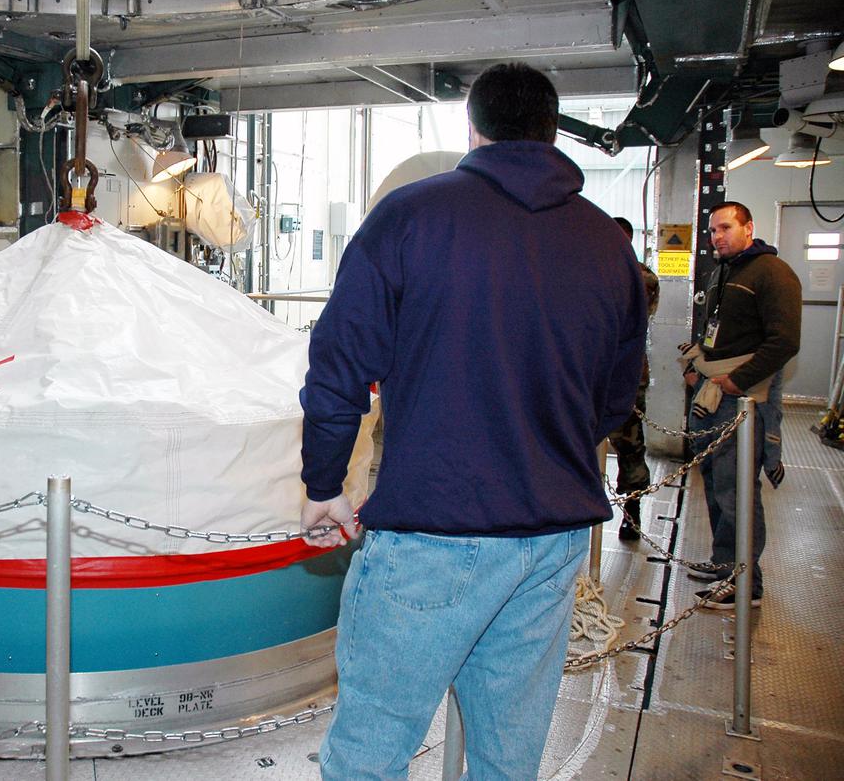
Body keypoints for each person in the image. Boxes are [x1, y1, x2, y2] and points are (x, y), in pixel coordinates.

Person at [298, 62, 647, 781]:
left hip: (432, 530)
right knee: (508, 760)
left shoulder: (409, 216)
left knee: (369, 752)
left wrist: (323, 480)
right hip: (554, 539)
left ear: (473, 128)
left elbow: (339, 365)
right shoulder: (607, 244)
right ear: (552, 131)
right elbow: (617, 399)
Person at [680, 201, 800, 609]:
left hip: (741, 398)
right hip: (712, 388)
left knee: (737, 491)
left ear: (750, 228)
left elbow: (784, 341)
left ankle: (747, 583)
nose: (718, 237)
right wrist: (698, 365)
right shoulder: (724, 272)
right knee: (715, 483)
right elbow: (716, 329)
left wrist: (738, 381)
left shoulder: (772, 274)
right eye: (713, 231)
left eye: (726, 228)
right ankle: (725, 562)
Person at [608, 216, 660, 541]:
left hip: (624, 375)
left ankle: (632, 513)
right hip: (588, 375)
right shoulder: (589, 271)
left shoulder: (642, 278)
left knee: (628, 446)